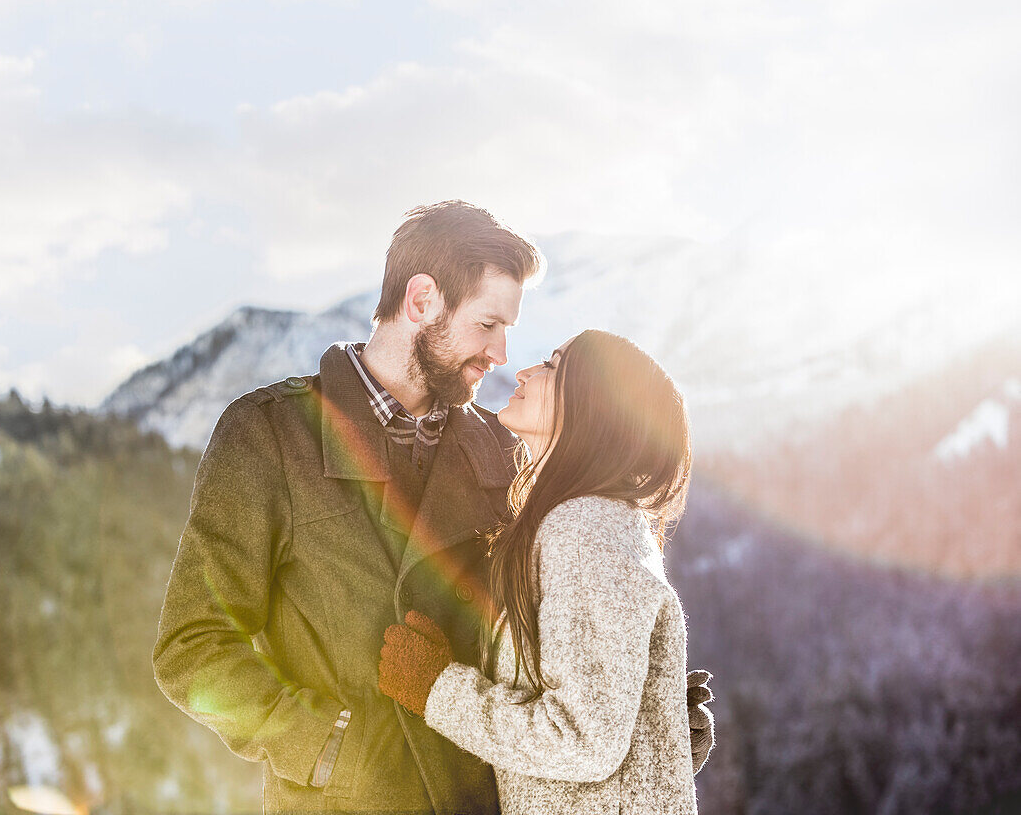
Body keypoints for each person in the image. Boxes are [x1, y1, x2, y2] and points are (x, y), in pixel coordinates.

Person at [152, 201, 713, 814]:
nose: (501, 353)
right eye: (488, 324)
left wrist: (636, 710)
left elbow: (538, 634)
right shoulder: (269, 435)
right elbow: (192, 645)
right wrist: (323, 746)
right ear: (422, 301)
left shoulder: (503, 452)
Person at [378, 330, 705, 814]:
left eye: (553, 366)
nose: (526, 370)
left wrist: (436, 690)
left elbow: (582, 737)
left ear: (597, 407)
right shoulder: (591, 523)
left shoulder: (585, 528)